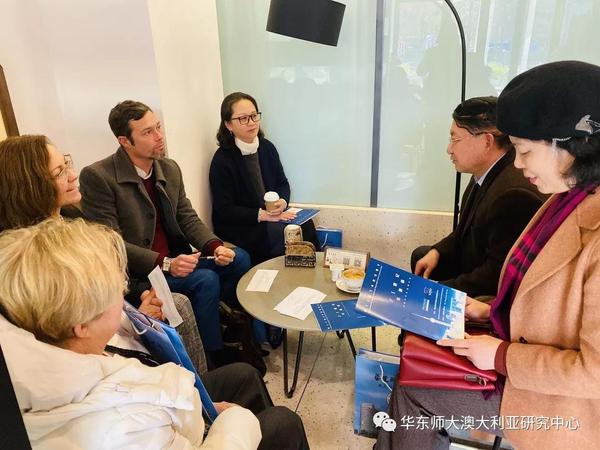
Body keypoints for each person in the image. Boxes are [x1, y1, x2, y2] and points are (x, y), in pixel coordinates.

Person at [376, 60, 600, 450]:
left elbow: (592, 373)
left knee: (415, 391)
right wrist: (490, 310)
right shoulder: (570, 194)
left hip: (561, 403)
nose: (517, 162)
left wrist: (501, 356)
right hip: (516, 345)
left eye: (524, 150)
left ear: (572, 145)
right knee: (416, 357)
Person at [0, 219, 310, 449]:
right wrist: (234, 421)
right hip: (178, 426)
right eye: (117, 289)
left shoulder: (60, 339)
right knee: (283, 422)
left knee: (243, 374)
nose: (124, 298)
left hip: (172, 411)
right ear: (81, 323)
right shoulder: (118, 427)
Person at [0, 134, 207, 373]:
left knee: (178, 305)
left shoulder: (72, 217)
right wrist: (133, 317)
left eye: (66, 164)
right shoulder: (32, 258)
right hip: (98, 344)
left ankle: (199, 385)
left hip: (114, 312)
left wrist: (137, 301)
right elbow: (74, 332)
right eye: (59, 172)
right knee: (182, 301)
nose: (73, 175)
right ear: (29, 188)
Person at [79, 100, 251, 365]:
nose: (160, 136)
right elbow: (110, 243)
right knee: (205, 280)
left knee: (239, 259)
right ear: (125, 141)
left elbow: (186, 216)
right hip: (140, 275)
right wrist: (166, 263)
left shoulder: (168, 168)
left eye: (158, 127)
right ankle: (212, 356)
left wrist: (214, 246)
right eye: (148, 132)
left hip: (177, 261)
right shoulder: (98, 177)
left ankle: (218, 323)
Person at [411, 96, 546, 297]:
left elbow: (495, 276)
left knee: (419, 290)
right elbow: (463, 231)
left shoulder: (514, 195)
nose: (449, 149)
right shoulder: (485, 170)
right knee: (422, 256)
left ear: (487, 141)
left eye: (455, 139)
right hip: (476, 259)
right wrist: (437, 251)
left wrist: (434, 292)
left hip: (491, 288)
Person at [210, 92, 319, 266]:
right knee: (277, 233)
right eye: (243, 118)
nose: (251, 122)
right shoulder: (222, 160)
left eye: (254, 116)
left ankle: (313, 273)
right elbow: (225, 209)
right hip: (243, 225)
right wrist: (262, 215)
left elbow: (282, 183)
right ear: (228, 124)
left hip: (271, 215)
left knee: (305, 224)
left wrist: (282, 202)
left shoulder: (267, 147)